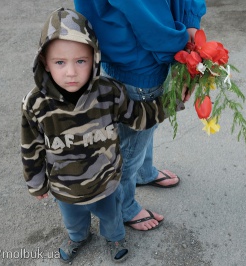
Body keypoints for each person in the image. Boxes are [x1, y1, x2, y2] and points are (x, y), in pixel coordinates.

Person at [20, 8, 166, 263]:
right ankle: (78, 238)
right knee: (74, 223)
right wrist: (36, 183)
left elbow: (138, 116)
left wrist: (171, 101)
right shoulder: (35, 104)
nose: (71, 72)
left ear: (94, 58)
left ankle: (114, 238)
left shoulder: (109, 92)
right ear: (44, 62)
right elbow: (31, 147)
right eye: (59, 62)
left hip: (106, 182)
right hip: (65, 189)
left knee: (112, 219)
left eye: (81, 61)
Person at [74, 0, 207, 231]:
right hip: (139, 55)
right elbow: (143, 11)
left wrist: (190, 22)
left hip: (147, 47)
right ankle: (125, 206)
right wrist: (183, 47)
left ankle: (143, 172)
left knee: (145, 126)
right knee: (132, 140)